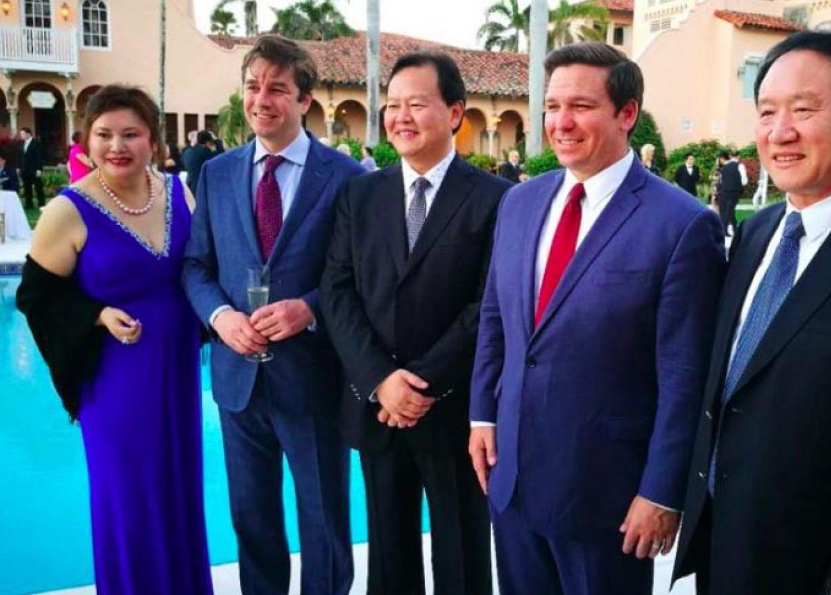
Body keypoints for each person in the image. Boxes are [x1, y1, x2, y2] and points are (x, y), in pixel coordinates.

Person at [470, 42, 725, 595]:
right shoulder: (519, 203)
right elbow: (496, 317)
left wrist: (660, 492)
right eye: (553, 106)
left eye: (581, 106)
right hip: (511, 479)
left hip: (606, 496)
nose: (561, 122)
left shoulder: (681, 224)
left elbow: (684, 377)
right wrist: (481, 416)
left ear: (627, 113)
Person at [672, 31, 831, 595]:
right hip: (724, 537)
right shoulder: (758, 231)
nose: (779, 133)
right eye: (766, 112)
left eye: (803, 111)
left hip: (818, 559)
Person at [321, 51, 509, 595]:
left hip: (452, 413)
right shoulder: (360, 194)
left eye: (417, 104)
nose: (401, 117)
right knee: (389, 554)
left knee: (462, 555)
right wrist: (381, 380)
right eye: (393, 106)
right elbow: (337, 291)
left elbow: (488, 303)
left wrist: (421, 382)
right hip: (378, 407)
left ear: (455, 113)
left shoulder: (496, 199)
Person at [182, 35, 364, 595]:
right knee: (252, 520)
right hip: (238, 381)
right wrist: (219, 318)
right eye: (253, 86)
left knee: (324, 522)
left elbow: (357, 277)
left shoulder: (348, 178)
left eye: (278, 88)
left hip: (312, 379)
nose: (263, 99)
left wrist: (308, 308)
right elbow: (196, 266)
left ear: (304, 100)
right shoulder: (215, 174)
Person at [15, 85, 213, 594]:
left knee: (178, 490)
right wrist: (97, 314)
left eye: (131, 133)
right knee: (129, 500)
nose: (117, 145)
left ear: (153, 139)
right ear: (87, 140)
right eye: (104, 134)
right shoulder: (68, 210)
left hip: (178, 373)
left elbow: (200, 268)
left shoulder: (177, 192)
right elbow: (35, 296)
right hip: (116, 383)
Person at [716, 151, 746, 236]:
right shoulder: (740, 166)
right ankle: (724, 229)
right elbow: (744, 181)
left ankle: (734, 229)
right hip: (734, 192)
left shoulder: (724, 168)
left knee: (728, 211)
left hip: (723, 192)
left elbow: (721, 181)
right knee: (729, 211)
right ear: (738, 157)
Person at [19, 126, 46, 210]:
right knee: (27, 187)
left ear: (28, 134)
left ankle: (41, 204)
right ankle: (29, 204)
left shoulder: (36, 143)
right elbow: (22, 157)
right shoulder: (22, 144)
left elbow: (39, 157)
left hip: (34, 169)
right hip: (25, 170)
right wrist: (19, 167)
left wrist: (39, 169)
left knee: (38, 187)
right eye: (21, 134)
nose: (21, 136)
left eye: (22, 134)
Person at [183, 130, 216, 196]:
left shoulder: (187, 151)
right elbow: (220, 155)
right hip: (202, 187)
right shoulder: (205, 152)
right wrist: (216, 140)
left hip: (190, 186)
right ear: (208, 142)